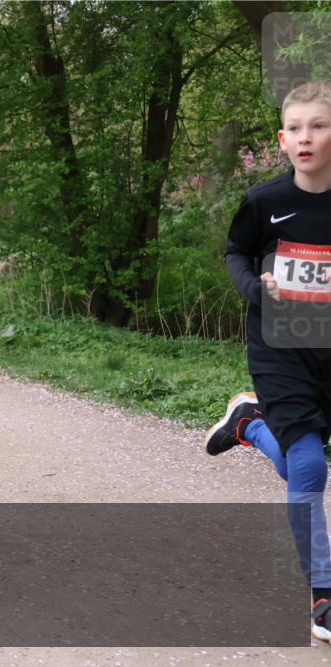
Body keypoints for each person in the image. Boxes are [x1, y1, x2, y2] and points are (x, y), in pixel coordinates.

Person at [203, 80, 331, 641]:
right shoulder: (265, 202)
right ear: (282, 140)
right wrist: (254, 286)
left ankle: (249, 424)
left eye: (319, 126)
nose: (307, 138)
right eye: (296, 128)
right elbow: (235, 251)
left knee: (296, 463)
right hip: (280, 347)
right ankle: (323, 595)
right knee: (308, 467)